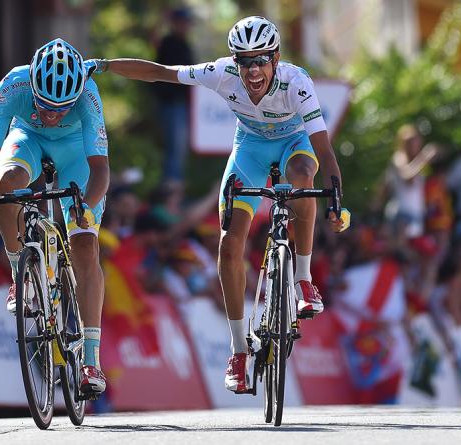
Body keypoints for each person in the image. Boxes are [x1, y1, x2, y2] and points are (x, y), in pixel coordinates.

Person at [87, 16, 350, 393]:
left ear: (276, 59)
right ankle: (239, 350)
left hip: (295, 145)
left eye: (261, 60)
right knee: (230, 244)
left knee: (304, 175)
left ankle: (303, 281)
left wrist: (336, 201)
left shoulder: (297, 83)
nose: (253, 70)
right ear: (234, 62)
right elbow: (162, 72)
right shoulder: (221, 73)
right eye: (245, 61)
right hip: (250, 153)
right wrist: (106, 65)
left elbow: (323, 149)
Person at [0, 38, 109, 396]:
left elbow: (100, 169)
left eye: (60, 108)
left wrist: (85, 209)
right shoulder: (14, 83)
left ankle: (91, 360)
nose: (51, 113)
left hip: (76, 153)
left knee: (85, 246)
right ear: (34, 87)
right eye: (44, 104)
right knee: (8, 182)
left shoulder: (88, 93)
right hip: (26, 139)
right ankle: (20, 274)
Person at [152, 7, 194, 180]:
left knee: (179, 150)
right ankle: (171, 189)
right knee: (174, 150)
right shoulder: (168, 42)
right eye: (182, 22)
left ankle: (174, 189)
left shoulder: (184, 43)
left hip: (181, 104)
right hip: (171, 104)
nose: (186, 26)